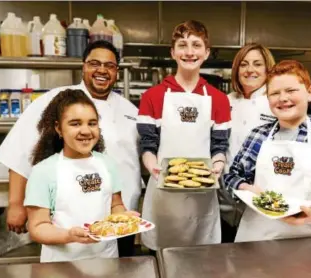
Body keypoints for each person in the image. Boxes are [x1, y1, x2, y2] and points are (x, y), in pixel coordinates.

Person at [0, 40, 141, 256]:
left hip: (120, 219)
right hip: (68, 224)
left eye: (109, 66)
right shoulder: (58, 100)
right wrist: (16, 203)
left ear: (116, 71)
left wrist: (124, 214)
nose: (102, 70)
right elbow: (20, 149)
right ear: (83, 66)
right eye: (94, 63)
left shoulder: (129, 109)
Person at [224, 60, 311, 242]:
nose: (283, 98)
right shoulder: (257, 136)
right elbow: (232, 176)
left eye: (291, 91)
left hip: (309, 245)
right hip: (255, 240)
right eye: (275, 93)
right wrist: (246, 188)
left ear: (310, 92)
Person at [137, 20, 231, 251]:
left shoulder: (219, 99)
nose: (190, 52)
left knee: (200, 259)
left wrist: (218, 165)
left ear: (206, 52)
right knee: (161, 257)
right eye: (182, 45)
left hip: (202, 193)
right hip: (163, 191)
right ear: (173, 52)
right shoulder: (152, 96)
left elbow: (219, 146)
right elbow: (148, 146)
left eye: (196, 45)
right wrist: (153, 167)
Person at [25, 89, 136, 262]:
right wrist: (69, 236)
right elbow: (38, 227)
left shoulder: (108, 164)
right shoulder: (43, 171)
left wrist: (123, 218)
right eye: (75, 124)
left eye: (92, 123)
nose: (86, 131)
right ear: (58, 128)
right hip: (61, 266)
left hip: (106, 260)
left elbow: (115, 205)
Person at [220, 43, 277, 243]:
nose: (250, 70)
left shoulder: (276, 102)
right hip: (224, 201)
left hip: (260, 201)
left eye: (257, 64)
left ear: (268, 69)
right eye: (244, 64)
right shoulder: (225, 101)